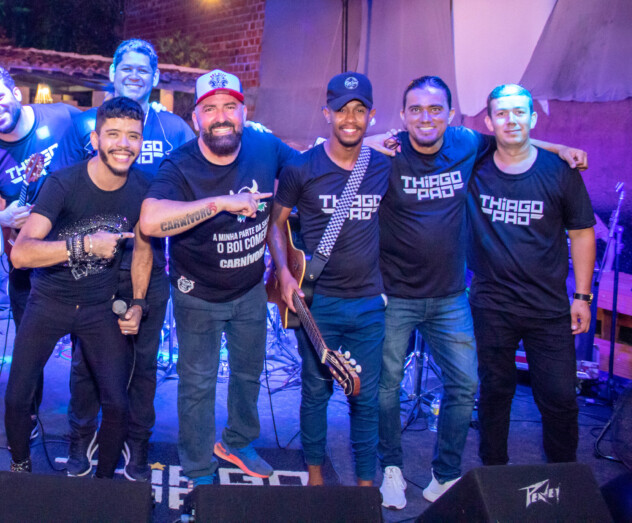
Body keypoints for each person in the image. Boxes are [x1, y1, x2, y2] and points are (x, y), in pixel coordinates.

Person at [376, 76, 588, 508]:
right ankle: (403, 470)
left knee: (477, 386)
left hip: (463, 297)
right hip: (418, 297)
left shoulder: (469, 145)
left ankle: (455, 475)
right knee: (395, 387)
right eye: (416, 109)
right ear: (403, 115)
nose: (426, 117)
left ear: (451, 115)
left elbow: (514, 141)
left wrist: (559, 148)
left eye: (435, 109)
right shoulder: (393, 152)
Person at [140, 70, 296, 487]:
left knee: (248, 374)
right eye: (210, 109)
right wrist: (220, 203)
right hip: (197, 295)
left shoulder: (265, 146)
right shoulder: (179, 164)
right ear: (196, 120)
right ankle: (197, 469)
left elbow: (308, 167)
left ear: (244, 114)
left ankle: (237, 443)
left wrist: (365, 148)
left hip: (249, 290)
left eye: (230, 107)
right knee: (197, 384)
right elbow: (150, 221)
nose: (221, 116)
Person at [58, 39, 195, 479]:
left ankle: (136, 444)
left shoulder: (174, 130)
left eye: (143, 70)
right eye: (127, 68)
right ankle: (81, 438)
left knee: (142, 363)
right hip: (91, 267)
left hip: (147, 265)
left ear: (155, 78)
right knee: (85, 362)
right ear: (112, 72)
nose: (135, 75)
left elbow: (196, 183)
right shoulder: (85, 126)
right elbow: (63, 188)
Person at [4, 96, 152, 477]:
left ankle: (103, 484)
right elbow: (21, 253)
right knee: (18, 398)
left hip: (99, 306)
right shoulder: (63, 183)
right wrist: (84, 245)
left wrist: (138, 303)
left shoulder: (143, 188)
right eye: (113, 134)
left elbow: (142, 251)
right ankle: (19, 466)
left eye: (133, 136)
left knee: (117, 405)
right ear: (96, 139)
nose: (123, 144)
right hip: (49, 302)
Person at [268, 72, 391, 488]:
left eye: (359, 110)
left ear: (372, 115)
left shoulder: (383, 167)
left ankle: (365, 489)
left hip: (369, 302)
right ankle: (316, 482)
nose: (350, 119)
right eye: (341, 110)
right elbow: (275, 224)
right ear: (327, 114)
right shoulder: (301, 168)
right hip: (318, 301)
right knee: (316, 392)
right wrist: (284, 272)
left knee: (365, 397)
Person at [467, 83, 594, 466]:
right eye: (502, 113)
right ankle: (494, 473)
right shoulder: (474, 164)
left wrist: (582, 297)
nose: (511, 120)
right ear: (489, 122)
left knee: (559, 397)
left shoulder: (560, 171)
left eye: (520, 112)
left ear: (533, 118)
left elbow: (582, 233)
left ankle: (564, 475)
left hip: (548, 307)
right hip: (491, 304)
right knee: (494, 392)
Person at [0, 65, 82, 431]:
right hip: (29, 265)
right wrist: (2, 218)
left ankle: (84, 424)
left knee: (88, 347)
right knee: (29, 352)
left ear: (16, 93)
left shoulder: (63, 116)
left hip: (81, 253)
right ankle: (26, 423)